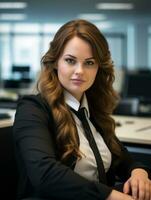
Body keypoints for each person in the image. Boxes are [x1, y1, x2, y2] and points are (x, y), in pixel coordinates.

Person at [13, 19, 151, 200]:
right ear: (55, 62)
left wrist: (138, 171)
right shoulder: (32, 109)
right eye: (70, 60)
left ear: (98, 68)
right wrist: (110, 196)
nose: (80, 71)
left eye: (89, 63)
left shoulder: (92, 108)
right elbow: (45, 173)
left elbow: (121, 157)